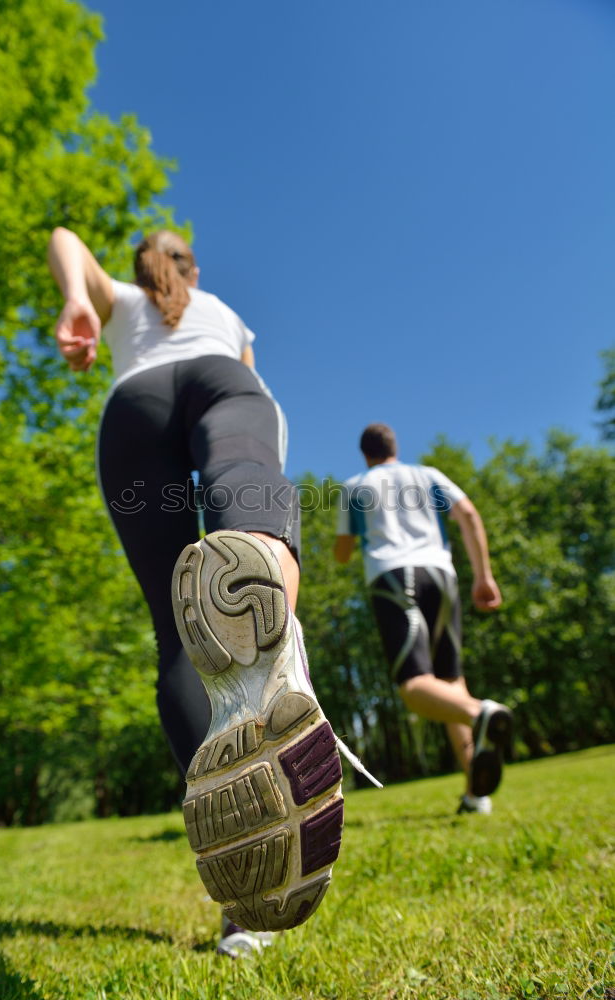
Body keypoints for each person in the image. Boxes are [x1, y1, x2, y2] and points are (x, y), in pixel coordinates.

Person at [48, 226, 343, 953]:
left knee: (177, 636)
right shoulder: (224, 315)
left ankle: (240, 869)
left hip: (133, 405)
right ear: (193, 267)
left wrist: (74, 305)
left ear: (140, 267)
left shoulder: (117, 301)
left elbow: (62, 236)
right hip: (224, 383)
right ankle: (268, 610)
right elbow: (254, 390)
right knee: (245, 488)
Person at [334, 422, 513, 815]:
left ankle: (482, 712)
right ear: (394, 447)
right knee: (450, 683)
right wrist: (483, 575)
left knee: (415, 688)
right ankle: (475, 796)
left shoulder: (354, 487)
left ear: (365, 454)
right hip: (442, 575)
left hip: (394, 577)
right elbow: (468, 513)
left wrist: (344, 543)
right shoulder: (429, 475)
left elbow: (343, 551)